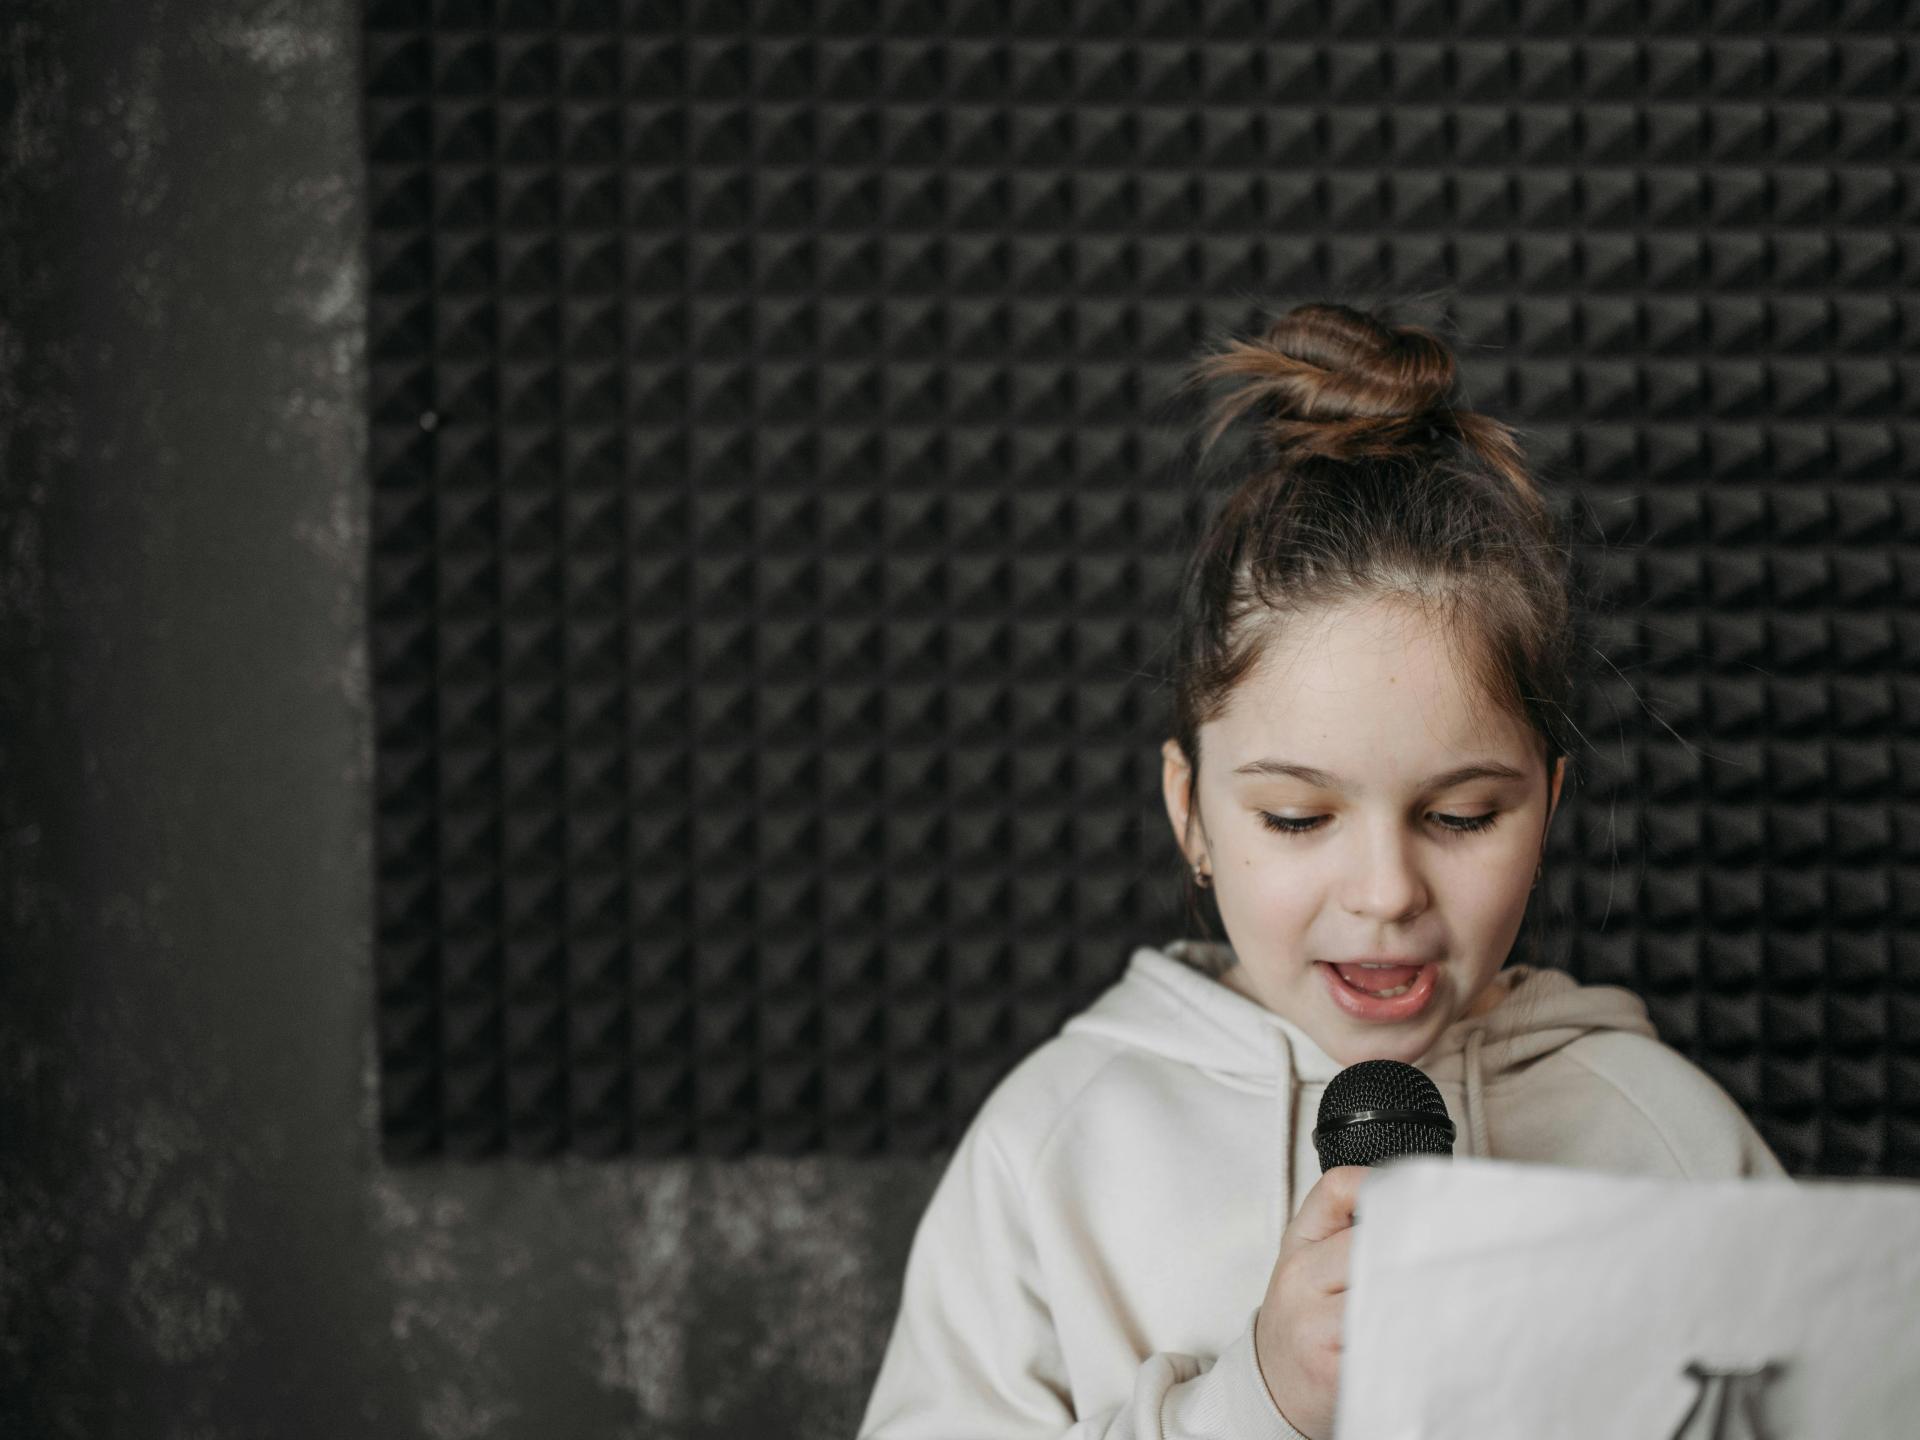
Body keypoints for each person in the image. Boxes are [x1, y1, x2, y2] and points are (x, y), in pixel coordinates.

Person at [854, 300, 1786, 1440]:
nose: (1386, 891)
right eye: (1298, 818)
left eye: (1458, 814)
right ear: (1191, 812)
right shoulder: (1054, 1155)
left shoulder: (1671, 1139)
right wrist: (1258, 1402)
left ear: (1546, 807)